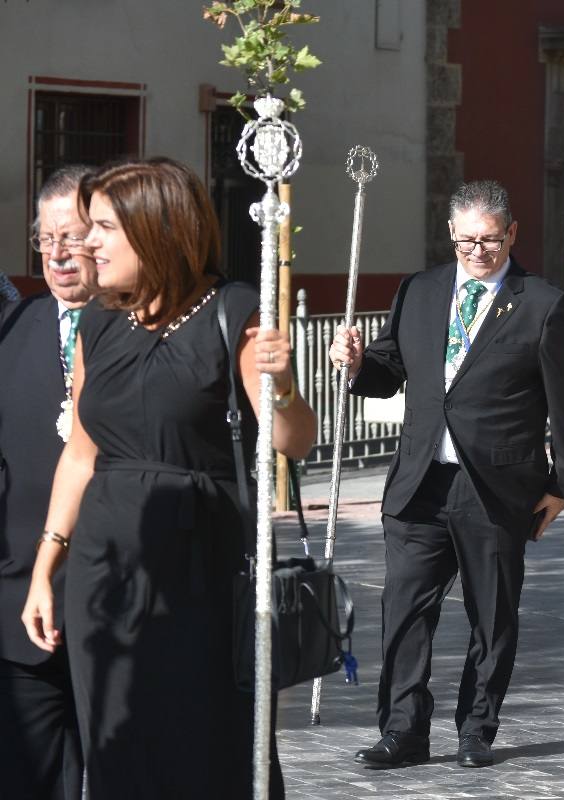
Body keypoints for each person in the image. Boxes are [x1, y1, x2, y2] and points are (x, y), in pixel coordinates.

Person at [21, 157, 316, 799]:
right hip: (104, 570)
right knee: (117, 749)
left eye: (103, 228)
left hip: (200, 568)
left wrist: (285, 386)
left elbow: (293, 440)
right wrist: (47, 566)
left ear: (156, 230)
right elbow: (81, 454)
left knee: (199, 747)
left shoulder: (233, 312)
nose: (86, 243)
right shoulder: (98, 322)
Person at [329, 180, 564, 771]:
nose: (478, 251)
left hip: (494, 487)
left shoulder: (542, 304)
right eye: (467, 240)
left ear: (512, 234)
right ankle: (402, 730)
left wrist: (563, 486)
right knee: (404, 613)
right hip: (420, 481)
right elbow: (389, 368)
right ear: (450, 233)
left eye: (490, 240)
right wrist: (359, 363)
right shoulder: (419, 291)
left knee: (491, 617)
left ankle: (476, 728)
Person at [0, 165, 94, 800]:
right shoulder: (14, 328)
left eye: (74, 238)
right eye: (45, 238)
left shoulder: (148, 331)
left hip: (118, 603)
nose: (57, 254)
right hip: (18, 606)